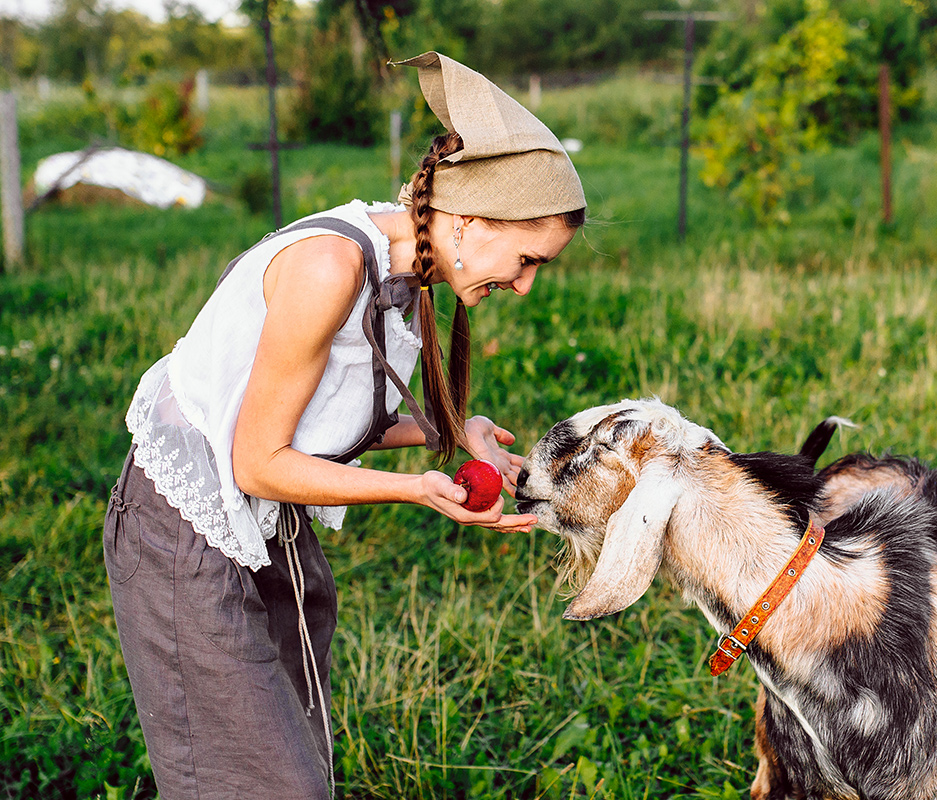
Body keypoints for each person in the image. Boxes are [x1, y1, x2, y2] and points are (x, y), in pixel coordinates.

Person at [103, 52, 586, 799]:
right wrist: (416, 492)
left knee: (289, 751)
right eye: (527, 260)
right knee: (259, 781)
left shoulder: (412, 273)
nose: (524, 284)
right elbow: (257, 460)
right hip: (184, 533)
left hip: (269, 527)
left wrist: (454, 432)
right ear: (470, 220)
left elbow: (330, 424)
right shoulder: (331, 267)